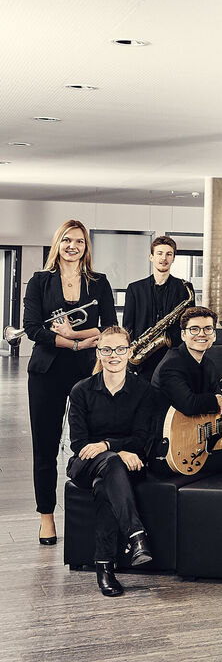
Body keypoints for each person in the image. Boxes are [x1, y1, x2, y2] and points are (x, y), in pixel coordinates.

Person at [24, 219, 118, 545]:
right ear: (58, 244)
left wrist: (73, 333)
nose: (72, 246)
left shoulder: (99, 282)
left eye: (79, 241)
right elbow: (33, 328)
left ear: (86, 247)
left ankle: (92, 514)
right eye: (66, 240)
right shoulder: (39, 281)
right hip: (46, 373)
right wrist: (76, 343)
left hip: (87, 373)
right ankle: (46, 516)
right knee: (45, 446)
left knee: (89, 443)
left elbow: (109, 327)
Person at [66, 326, 157, 597]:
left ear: (129, 352)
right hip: (85, 464)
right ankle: (136, 535)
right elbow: (79, 443)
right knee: (111, 465)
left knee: (106, 485)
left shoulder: (143, 390)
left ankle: (104, 568)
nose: (113, 355)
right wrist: (117, 450)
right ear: (98, 353)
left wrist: (109, 447)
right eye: (106, 350)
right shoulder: (81, 390)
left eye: (120, 349)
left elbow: (141, 439)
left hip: (129, 464)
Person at [150, 306, 222, 476]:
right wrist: (216, 400)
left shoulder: (208, 364)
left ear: (214, 335)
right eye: (194, 329)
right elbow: (188, 404)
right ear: (183, 335)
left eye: (207, 329)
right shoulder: (171, 364)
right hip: (169, 452)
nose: (202, 334)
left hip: (196, 443)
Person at [122, 235, 194, 377]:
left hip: (173, 356)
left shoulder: (184, 288)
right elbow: (127, 326)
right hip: (143, 358)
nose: (164, 258)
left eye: (169, 254)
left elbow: (189, 324)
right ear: (151, 257)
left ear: (173, 258)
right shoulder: (135, 288)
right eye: (159, 253)